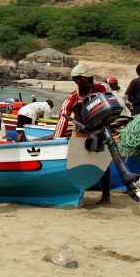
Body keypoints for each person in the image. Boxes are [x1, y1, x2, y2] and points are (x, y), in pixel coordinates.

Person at [54, 63, 112, 204]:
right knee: (75, 161)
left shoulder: (101, 88)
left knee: (103, 162)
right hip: (80, 132)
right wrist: (57, 141)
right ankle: (77, 191)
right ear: (77, 80)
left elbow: (110, 102)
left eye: (90, 76)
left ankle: (106, 195)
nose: (91, 79)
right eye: (87, 77)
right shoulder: (71, 99)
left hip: (100, 130)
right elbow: (62, 119)